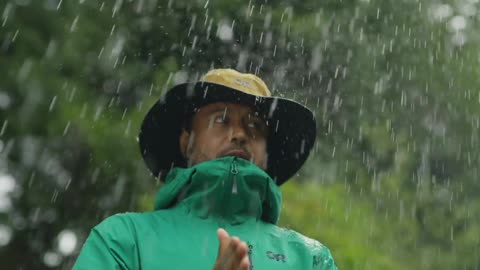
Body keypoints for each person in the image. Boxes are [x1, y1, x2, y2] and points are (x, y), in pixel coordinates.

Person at [73, 69, 338, 269]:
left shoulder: (310, 258)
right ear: (186, 139)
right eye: (221, 120)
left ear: (267, 153)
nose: (239, 134)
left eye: (255, 125)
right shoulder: (125, 239)